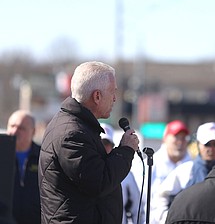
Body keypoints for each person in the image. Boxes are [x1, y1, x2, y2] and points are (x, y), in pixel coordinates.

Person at [38, 61, 140, 224]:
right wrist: (125, 150)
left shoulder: (77, 126)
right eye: (112, 92)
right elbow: (99, 182)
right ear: (97, 96)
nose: (115, 98)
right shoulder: (72, 134)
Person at [152, 122, 215, 224]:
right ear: (198, 144)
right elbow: (161, 197)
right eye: (207, 144)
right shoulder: (185, 171)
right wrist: (167, 220)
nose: (211, 149)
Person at [99, 122, 145, 224]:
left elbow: (137, 209)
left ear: (112, 146)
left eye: (106, 144)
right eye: (101, 143)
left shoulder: (126, 173)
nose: (104, 147)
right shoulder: (89, 169)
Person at [6, 110, 41, 224]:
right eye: (12, 126)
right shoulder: (2, 154)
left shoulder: (43, 156)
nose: (15, 131)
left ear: (33, 131)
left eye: (21, 128)